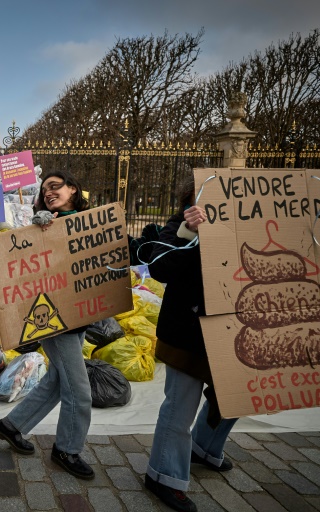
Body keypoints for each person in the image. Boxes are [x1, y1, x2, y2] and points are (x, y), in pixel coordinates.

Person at [0, 170, 96, 480]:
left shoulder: (88, 220)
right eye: (44, 189)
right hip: (53, 318)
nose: (49, 192)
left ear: (73, 188)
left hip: (79, 314)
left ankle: (11, 426)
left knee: (55, 380)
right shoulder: (42, 224)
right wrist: (37, 227)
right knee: (79, 389)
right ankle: (67, 449)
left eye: (55, 186)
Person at [143, 174, 237, 512]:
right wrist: (189, 232)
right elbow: (158, 267)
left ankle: (205, 448)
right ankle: (163, 475)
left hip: (236, 328)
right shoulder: (181, 221)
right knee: (181, 406)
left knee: (235, 398)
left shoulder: (249, 223)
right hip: (189, 331)